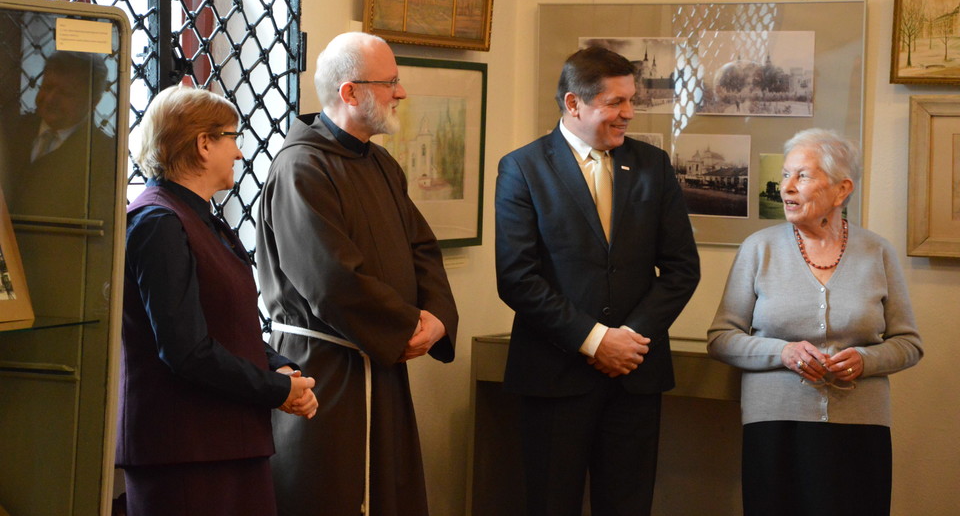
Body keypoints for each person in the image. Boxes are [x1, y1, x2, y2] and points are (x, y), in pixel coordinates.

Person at [257, 31, 459, 516]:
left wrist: (436, 315)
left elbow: (422, 247)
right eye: (390, 81)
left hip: (380, 360)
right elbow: (330, 279)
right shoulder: (301, 168)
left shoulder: (383, 164)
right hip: (326, 374)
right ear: (350, 92)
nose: (401, 92)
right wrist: (405, 327)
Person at [495, 46, 701, 516]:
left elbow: (681, 268)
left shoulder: (652, 165)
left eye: (631, 100)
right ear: (574, 104)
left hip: (635, 375)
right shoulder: (523, 168)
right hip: (554, 376)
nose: (628, 113)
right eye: (616, 102)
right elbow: (517, 278)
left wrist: (628, 340)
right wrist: (593, 341)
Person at [117, 85, 318, 516]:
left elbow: (226, 321)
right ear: (203, 144)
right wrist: (276, 389)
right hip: (184, 453)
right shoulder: (158, 221)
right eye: (233, 137)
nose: (241, 153)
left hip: (225, 442)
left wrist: (277, 365)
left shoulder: (197, 215)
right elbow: (185, 350)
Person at [707, 128, 923, 516]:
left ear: (842, 190)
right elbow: (722, 338)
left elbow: (909, 343)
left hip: (860, 426)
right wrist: (783, 352)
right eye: (784, 175)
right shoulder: (759, 249)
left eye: (802, 176)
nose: (786, 188)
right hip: (774, 425)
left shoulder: (877, 251)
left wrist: (865, 359)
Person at [2, 50, 112, 218]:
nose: (50, 98)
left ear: (93, 102)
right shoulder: (11, 132)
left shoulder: (104, 154)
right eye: (47, 87)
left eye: (65, 93)